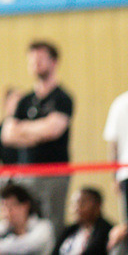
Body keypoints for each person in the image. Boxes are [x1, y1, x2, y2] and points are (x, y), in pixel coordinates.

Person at [2, 42, 74, 233]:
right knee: (27, 226)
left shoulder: (62, 98)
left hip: (54, 173)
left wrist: (23, 128)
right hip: (27, 173)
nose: (36, 63)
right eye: (32, 60)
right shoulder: (24, 101)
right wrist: (37, 132)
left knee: (53, 225)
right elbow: (7, 135)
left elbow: (53, 130)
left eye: (41, 59)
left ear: (54, 62)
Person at [0, 183, 55, 254]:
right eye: (2, 209)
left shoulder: (44, 227)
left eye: (11, 207)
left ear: (25, 206)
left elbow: (29, 244)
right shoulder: (2, 228)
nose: (6, 213)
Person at [51, 187, 112, 255]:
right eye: (73, 204)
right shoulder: (69, 230)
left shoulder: (106, 231)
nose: (76, 208)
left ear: (97, 206)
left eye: (82, 203)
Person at [104, 86, 128, 224]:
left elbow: (113, 146)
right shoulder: (120, 104)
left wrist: (114, 177)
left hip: (124, 173)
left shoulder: (120, 103)